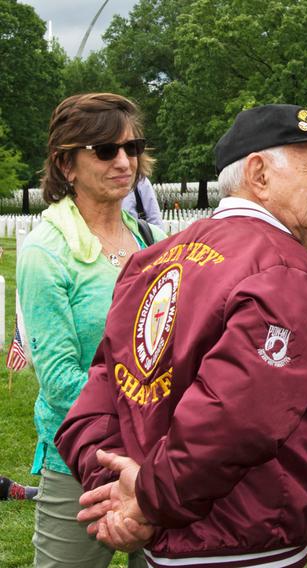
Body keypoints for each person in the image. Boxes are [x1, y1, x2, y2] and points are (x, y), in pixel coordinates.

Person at [54, 104, 307, 566]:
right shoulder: (281, 267)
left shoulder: (152, 260)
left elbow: (102, 390)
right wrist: (144, 499)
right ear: (259, 174)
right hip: (244, 536)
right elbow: (239, 417)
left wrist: (120, 492)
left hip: (173, 535)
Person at [17, 92, 165, 568]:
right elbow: (60, 380)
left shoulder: (153, 239)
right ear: (67, 165)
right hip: (82, 461)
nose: (124, 162)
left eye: (132, 147)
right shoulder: (47, 250)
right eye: (105, 150)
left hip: (161, 463)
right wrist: (141, 427)